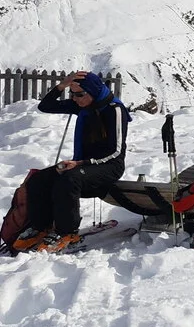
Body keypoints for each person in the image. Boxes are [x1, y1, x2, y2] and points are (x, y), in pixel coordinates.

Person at [13, 71, 131, 253]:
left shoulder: (114, 110)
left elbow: (115, 151)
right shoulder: (83, 105)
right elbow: (46, 106)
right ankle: (41, 227)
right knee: (40, 179)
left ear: (91, 92)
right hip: (82, 165)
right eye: (72, 94)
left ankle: (67, 232)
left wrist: (81, 163)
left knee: (69, 178)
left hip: (109, 166)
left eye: (79, 94)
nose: (74, 99)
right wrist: (62, 85)